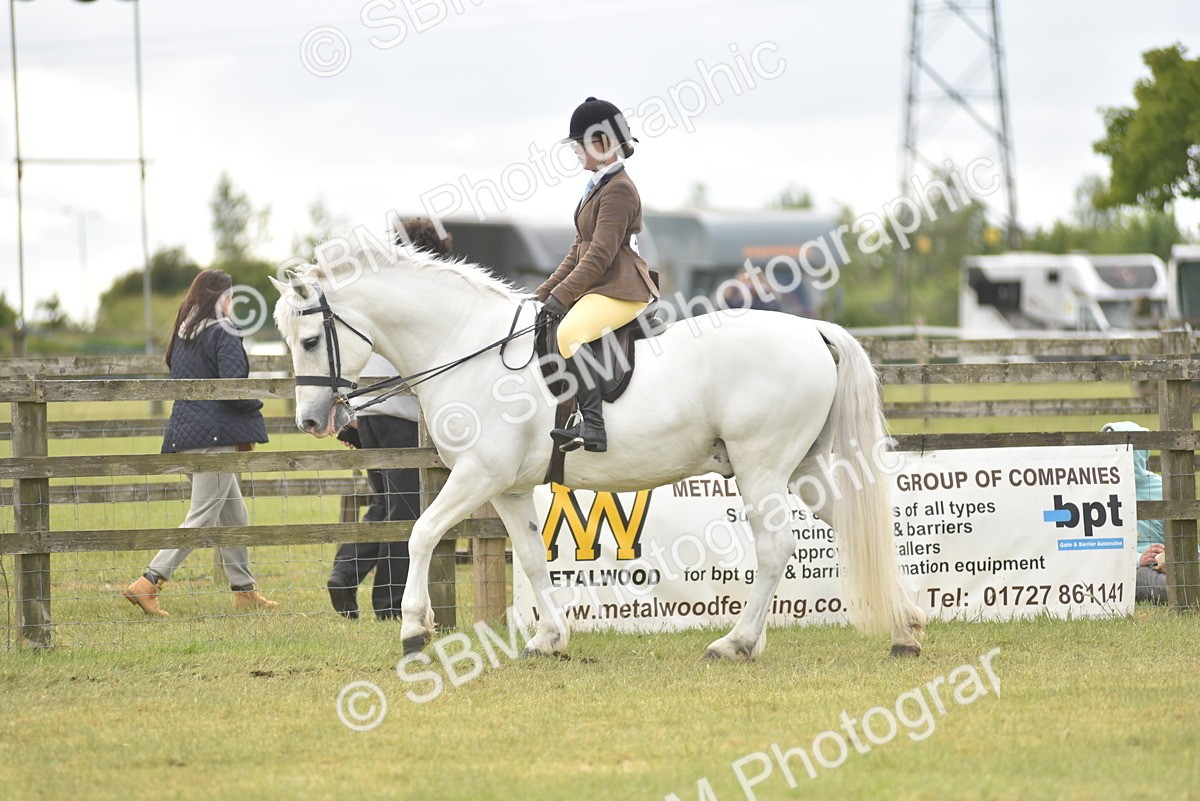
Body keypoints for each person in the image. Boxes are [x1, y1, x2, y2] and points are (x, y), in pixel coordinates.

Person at [123, 269, 274, 617]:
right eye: (231, 295)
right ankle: (148, 581)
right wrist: (257, 404)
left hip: (186, 435)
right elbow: (233, 387)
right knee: (203, 516)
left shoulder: (184, 330)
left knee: (234, 515)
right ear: (222, 297)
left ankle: (244, 591)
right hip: (214, 439)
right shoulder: (223, 329)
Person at [326, 218, 451, 620]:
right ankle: (391, 604)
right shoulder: (417, 295)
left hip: (369, 415)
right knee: (407, 511)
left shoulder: (377, 289)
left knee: (385, 506)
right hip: (400, 415)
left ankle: (346, 572)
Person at [534, 97, 660, 453]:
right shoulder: (598, 185)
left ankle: (593, 426)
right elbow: (578, 249)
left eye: (579, 144)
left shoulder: (618, 188)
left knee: (571, 331)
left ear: (602, 143)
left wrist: (561, 298)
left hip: (622, 287)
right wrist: (543, 293)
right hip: (603, 284)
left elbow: (600, 254)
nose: (575, 151)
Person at [1101, 422, 1166, 603]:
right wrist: (1139, 559)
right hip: (1128, 570)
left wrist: (1171, 555)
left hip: (1165, 564)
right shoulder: (1097, 490)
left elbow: (1182, 535)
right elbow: (1095, 545)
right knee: (1154, 583)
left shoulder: (1162, 487)